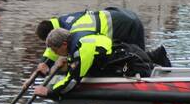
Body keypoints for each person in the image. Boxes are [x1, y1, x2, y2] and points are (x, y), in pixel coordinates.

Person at [35, 7, 169, 71]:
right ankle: (157, 59)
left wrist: (73, 66)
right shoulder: (64, 21)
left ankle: (156, 59)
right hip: (126, 18)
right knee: (136, 56)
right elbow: (55, 47)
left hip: (124, 27)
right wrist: (45, 62)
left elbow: (74, 51)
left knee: (133, 57)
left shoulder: (73, 29)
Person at [34, 27, 153, 99]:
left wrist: (49, 92)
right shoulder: (76, 37)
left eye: (56, 50)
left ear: (64, 44)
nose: (58, 54)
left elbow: (72, 81)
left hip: (129, 62)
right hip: (120, 53)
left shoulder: (82, 49)